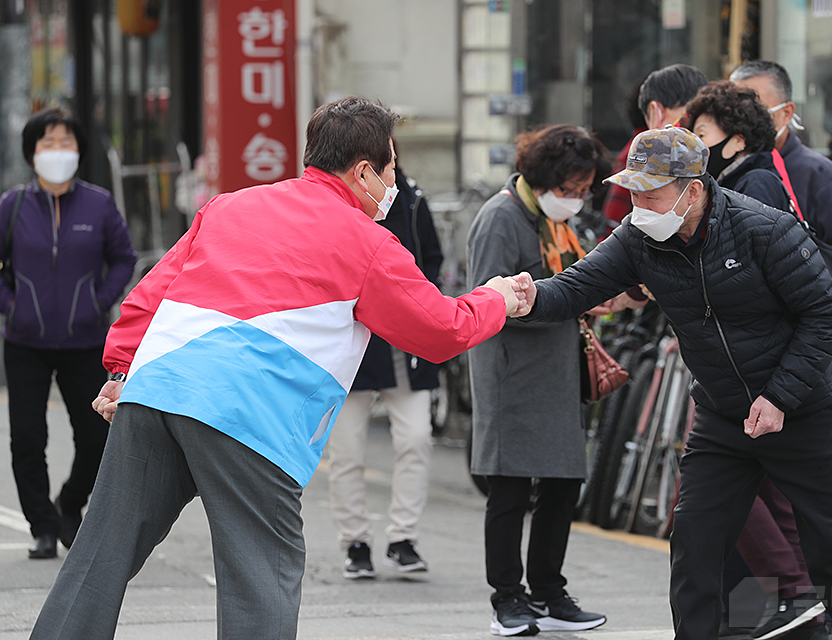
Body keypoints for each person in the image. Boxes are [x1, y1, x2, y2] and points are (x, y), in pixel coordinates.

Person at [28, 96, 529, 640]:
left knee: (100, 553)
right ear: (363, 172)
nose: (393, 181)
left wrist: (121, 371)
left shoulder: (228, 207)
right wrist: (496, 298)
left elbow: (149, 296)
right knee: (261, 573)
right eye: (389, 168)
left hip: (158, 391)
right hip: (250, 415)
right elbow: (440, 332)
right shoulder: (369, 243)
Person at [510, 127, 832, 640]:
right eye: (634, 192)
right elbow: (577, 287)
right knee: (695, 540)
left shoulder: (764, 230)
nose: (639, 205)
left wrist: (780, 395)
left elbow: (824, 315)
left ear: (692, 189)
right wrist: (523, 297)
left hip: (802, 408)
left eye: (652, 193)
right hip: (723, 412)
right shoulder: (638, 237)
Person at [684, 82, 832, 640]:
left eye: (702, 134)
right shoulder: (743, 180)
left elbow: (752, 280)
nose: (696, 144)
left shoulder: (754, 186)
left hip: (769, 367)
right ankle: (807, 606)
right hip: (768, 366)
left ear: (736, 137)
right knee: (775, 491)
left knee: (725, 486)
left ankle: (797, 593)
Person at [467, 124, 611, 637]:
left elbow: (577, 282)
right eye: (569, 189)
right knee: (509, 490)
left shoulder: (553, 223)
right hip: (512, 373)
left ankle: (549, 591)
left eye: (583, 190)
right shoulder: (501, 217)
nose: (575, 200)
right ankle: (508, 597)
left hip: (557, 371)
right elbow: (488, 299)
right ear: (542, 178)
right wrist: (571, 302)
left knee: (562, 482)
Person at [0, 108, 136, 560]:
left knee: (97, 434)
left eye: (66, 142)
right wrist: (12, 307)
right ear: (32, 152)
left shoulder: (98, 204)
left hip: (86, 340)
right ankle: (41, 526)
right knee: (27, 438)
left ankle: (69, 505)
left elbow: (123, 257)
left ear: (79, 150)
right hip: (25, 343)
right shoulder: (12, 206)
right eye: (47, 143)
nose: (57, 151)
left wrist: (100, 302)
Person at [325, 157, 443, 579]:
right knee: (347, 451)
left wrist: (421, 307)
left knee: (416, 439)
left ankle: (403, 537)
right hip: (352, 343)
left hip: (406, 341)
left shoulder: (411, 199)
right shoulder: (338, 201)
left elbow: (432, 258)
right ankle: (355, 541)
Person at [730, 60, 832, 363]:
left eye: (754, 107)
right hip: (751, 351)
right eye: (733, 109)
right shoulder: (729, 169)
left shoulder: (819, 174)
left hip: (813, 354)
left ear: (787, 112)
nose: (742, 119)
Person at [602, 66, 708, 231]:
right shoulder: (639, 155)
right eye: (688, 117)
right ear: (656, 112)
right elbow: (612, 227)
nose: (694, 130)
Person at [683, 80, 791, 212]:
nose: (695, 145)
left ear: (739, 141)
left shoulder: (757, 184)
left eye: (701, 135)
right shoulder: (728, 182)